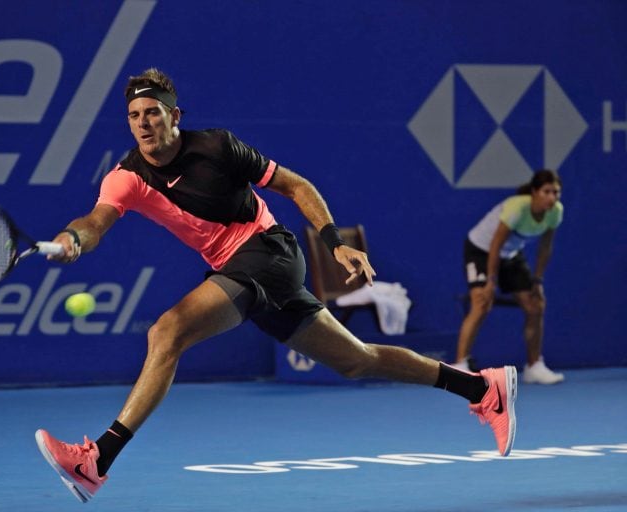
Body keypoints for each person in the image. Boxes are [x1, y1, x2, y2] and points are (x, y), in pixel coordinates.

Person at [34, 68, 518, 503]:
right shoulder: (126, 177)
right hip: (241, 270)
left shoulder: (218, 147)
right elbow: (95, 221)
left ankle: (97, 459)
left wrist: (334, 243)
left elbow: (297, 186)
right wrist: (73, 239)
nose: (143, 123)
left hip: (269, 253)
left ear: (174, 115)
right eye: (134, 115)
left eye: (153, 113)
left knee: (167, 332)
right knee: (356, 360)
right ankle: (481, 387)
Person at [452, 170, 564, 385]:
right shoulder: (516, 207)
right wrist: (490, 282)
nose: (552, 197)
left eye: (556, 192)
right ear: (534, 192)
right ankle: (459, 366)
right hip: (481, 251)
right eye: (547, 191)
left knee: (535, 305)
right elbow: (495, 244)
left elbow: (546, 247)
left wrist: (537, 280)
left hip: (510, 255)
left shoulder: (555, 212)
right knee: (481, 303)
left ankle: (534, 366)